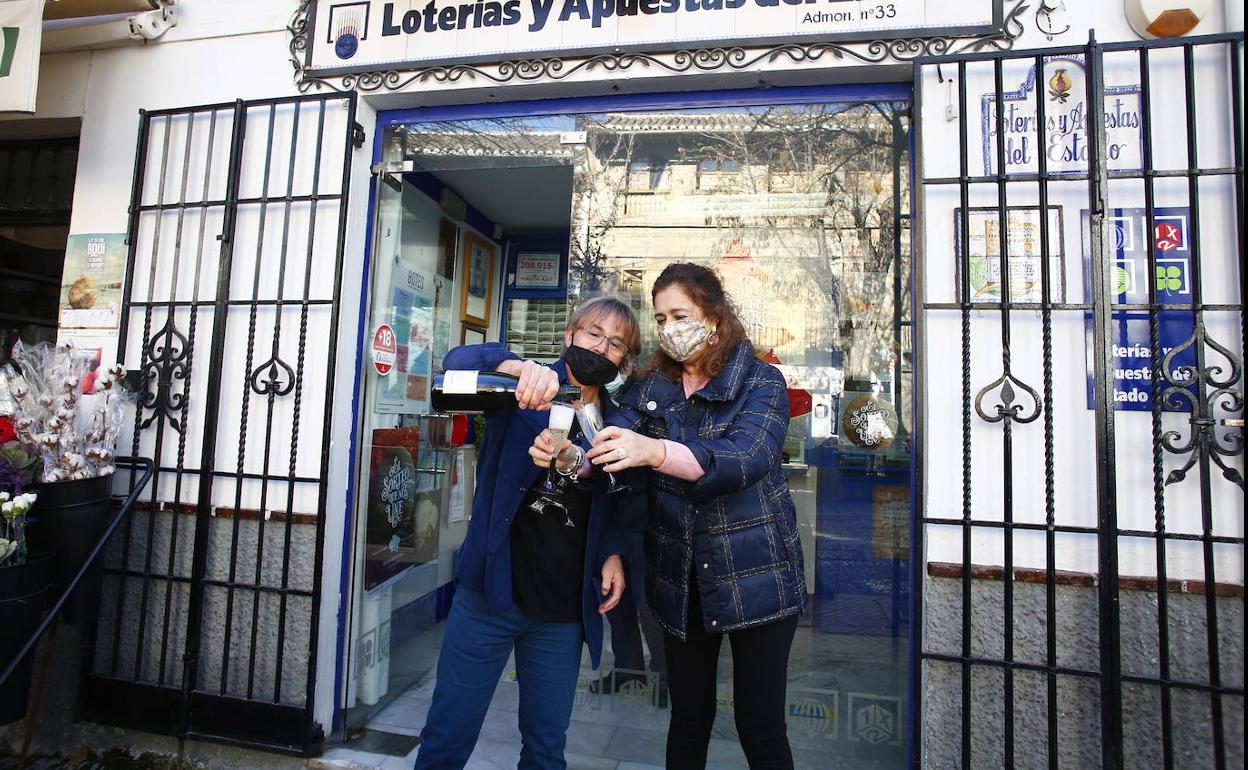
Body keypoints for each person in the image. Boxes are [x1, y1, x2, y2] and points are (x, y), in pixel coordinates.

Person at [572, 263, 806, 769]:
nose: (668, 328)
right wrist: (577, 449)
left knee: (760, 728)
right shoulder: (653, 383)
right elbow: (610, 443)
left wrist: (655, 452)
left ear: (713, 316)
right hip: (681, 580)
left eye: (680, 314)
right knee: (688, 719)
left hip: (758, 576)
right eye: (659, 318)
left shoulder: (761, 381)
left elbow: (746, 458)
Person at [412, 296, 641, 770]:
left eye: (616, 343)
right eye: (594, 333)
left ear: (625, 360)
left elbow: (619, 502)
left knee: (545, 748)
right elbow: (456, 363)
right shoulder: (527, 390)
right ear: (570, 334)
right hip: (490, 597)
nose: (602, 346)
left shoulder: (621, 422)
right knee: (447, 736)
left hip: (561, 612)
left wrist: (613, 552)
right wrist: (514, 365)